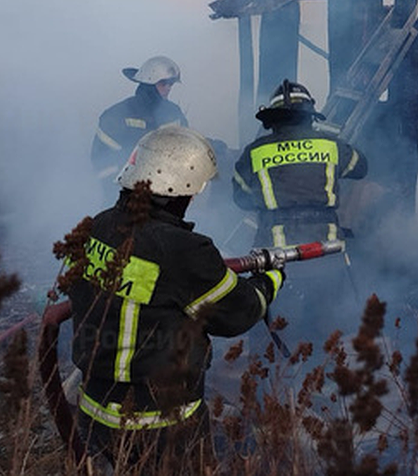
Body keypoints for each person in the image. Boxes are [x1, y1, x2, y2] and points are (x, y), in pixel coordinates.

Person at [66, 124, 284, 473]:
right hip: (158, 423)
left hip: (93, 412)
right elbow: (238, 312)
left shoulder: (96, 227)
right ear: (182, 188)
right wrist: (271, 278)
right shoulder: (183, 250)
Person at [232, 80, 368, 248]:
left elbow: (241, 198)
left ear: (272, 119)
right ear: (310, 116)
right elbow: (361, 168)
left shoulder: (254, 152)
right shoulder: (331, 145)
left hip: (275, 253)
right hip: (326, 249)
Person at [91, 56, 188, 199]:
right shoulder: (116, 115)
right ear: (148, 84)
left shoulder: (174, 114)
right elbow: (102, 161)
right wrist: (124, 190)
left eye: (171, 84)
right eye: (163, 83)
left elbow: (185, 148)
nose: (168, 88)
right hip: (124, 198)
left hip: (165, 197)